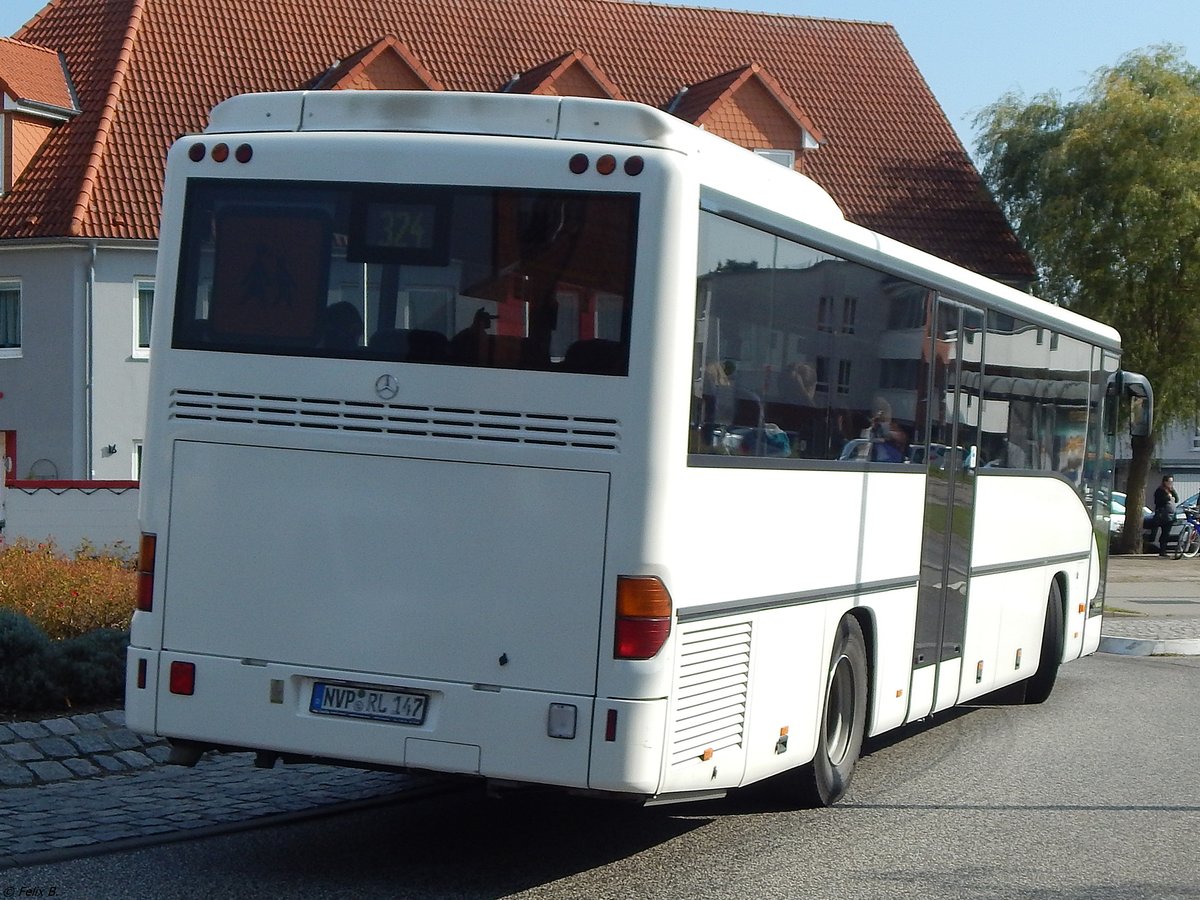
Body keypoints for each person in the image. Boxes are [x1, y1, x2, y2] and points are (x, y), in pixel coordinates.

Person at [1153, 474, 1179, 557]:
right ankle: (1162, 550)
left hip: (1171, 514)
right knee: (1164, 532)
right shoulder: (1160, 490)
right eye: (1169, 482)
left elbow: (1177, 499)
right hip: (1163, 514)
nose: (1171, 483)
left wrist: (1173, 491)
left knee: (1167, 533)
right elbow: (1157, 502)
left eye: (1172, 482)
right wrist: (1167, 498)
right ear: (1165, 482)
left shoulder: (1171, 490)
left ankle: (1163, 550)